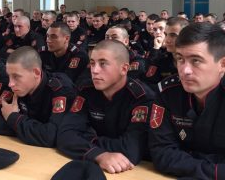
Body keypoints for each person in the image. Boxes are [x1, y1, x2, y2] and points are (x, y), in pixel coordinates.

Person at [57, 40, 155, 174]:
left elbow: (131, 150)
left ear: (124, 69)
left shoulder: (142, 98)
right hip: (94, 167)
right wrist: (98, 155)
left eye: (103, 64)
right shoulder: (86, 90)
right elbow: (65, 135)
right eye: (92, 63)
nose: (95, 70)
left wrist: (86, 138)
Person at [149, 22, 225, 179]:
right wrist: (214, 169)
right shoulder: (167, 92)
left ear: (222, 64)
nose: (185, 70)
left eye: (196, 60)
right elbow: (161, 152)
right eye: (180, 59)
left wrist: (188, 159)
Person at [0, 46, 76, 147]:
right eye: (9, 76)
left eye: (16, 76)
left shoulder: (60, 89)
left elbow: (51, 136)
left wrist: (13, 118)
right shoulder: (14, 86)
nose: (10, 83)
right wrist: (30, 130)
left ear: (36, 73)